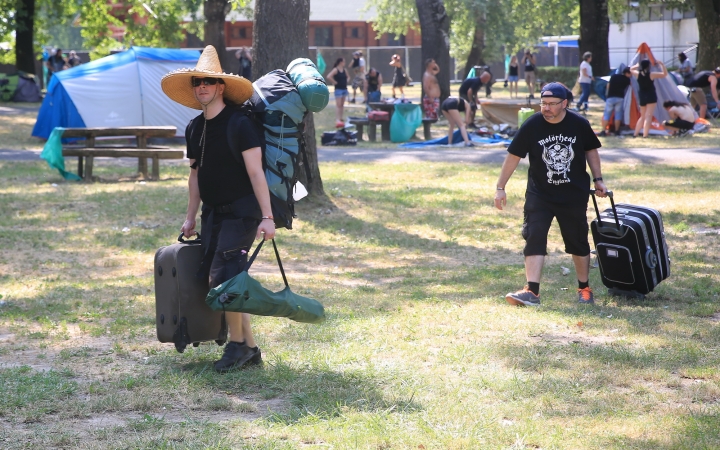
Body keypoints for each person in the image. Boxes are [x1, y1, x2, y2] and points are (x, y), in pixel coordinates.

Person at [160, 45, 275, 372]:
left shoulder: (239, 124)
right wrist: (190, 216)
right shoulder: (195, 128)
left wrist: (267, 217)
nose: (202, 87)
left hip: (242, 212)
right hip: (213, 215)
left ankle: (238, 347)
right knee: (229, 280)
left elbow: (256, 172)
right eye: (197, 82)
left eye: (208, 81)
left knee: (223, 281)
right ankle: (250, 350)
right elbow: (194, 176)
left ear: (221, 86)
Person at [494, 82, 608, 306]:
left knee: (577, 241)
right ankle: (532, 291)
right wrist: (500, 187)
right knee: (534, 236)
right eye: (543, 103)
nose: (545, 108)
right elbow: (513, 156)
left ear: (564, 104)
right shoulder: (532, 125)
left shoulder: (579, 124)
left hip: (573, 194)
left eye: (551, 104)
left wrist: (598, 179)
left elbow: (590, 150)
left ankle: (584, 289)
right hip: (540, 194)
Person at [631, 59, 668, 138]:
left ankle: (635, 134)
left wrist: (636, 66)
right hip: (651, 95)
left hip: (642, 96)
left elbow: (631, 69)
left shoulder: (637, 74)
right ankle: (645, 134)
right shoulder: (651, 74)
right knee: (648, 116)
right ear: (648, 66)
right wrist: (662, 64)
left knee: (642, 116)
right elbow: (664, 74)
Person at [599, 67, 632, 136]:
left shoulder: (614, 76)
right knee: (618, 115)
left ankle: (603, 130)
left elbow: (608, 85)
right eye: (630, 74)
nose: (631, 75)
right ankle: (617, 131)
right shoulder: (627, 80)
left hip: (610, 97)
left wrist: (607, 94)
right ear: (627, 73)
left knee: (607, 114)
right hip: (620, 98)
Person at [326, 58, 349, 126]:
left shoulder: (345, 70)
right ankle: (337, 119)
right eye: (343, 62)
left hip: (344, 89)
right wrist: (335, 82)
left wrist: (346, 81)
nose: (344, 63)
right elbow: (328, 76)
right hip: (338, 89)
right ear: (340, 62)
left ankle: (341, 118)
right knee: (338, 104)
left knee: (342, 104)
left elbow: (348, 77)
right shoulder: (335, 70)